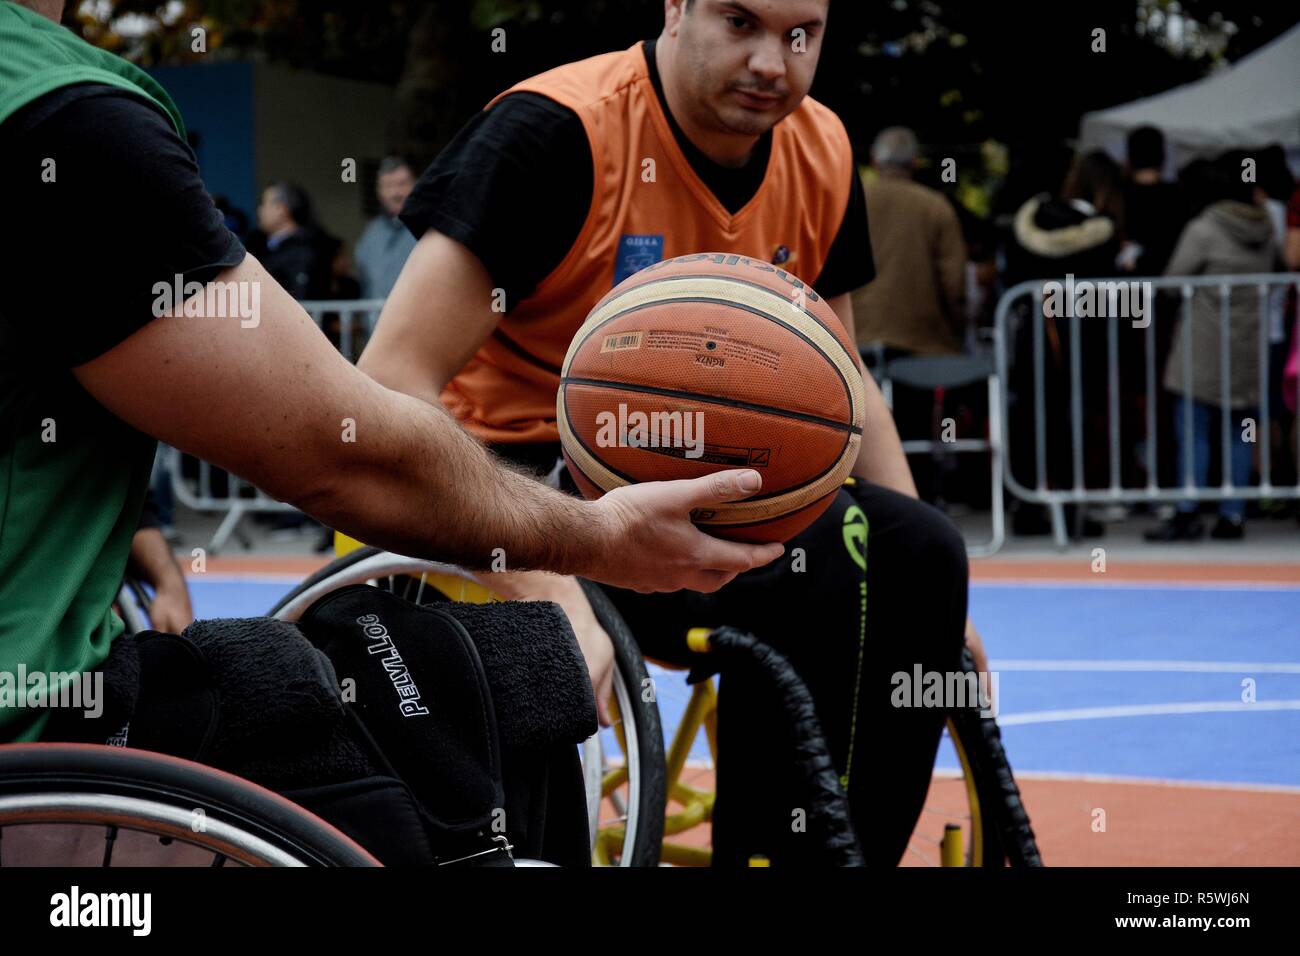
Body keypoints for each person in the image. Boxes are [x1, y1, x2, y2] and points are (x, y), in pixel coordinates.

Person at [0, 0, 779, 759]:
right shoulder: (64, 113)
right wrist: (597, 539)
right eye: (741, 22)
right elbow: (341, 452)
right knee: (453, 696)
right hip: (37, 727)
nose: (774, 62)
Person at [359, 0, 981, 866]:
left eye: (801, 34)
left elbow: (842, 393)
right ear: (676, 8)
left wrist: (925, 605)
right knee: (829, 576)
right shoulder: (556, 131)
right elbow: (389, 381)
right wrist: (544, 575)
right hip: (519, 478)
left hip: (715, 487)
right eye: (741, 22)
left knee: (913, 552)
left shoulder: (824, 145)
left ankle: (821, 855)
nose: (774, 60)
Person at [1145, 151, 1280, 542]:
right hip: (1247, 343)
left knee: (1194, 431)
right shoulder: (1265, 229)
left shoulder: (1203, 228)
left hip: (1203, 345)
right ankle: (1233, 514)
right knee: (1242, 430)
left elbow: (1172, 279)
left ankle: (1188, 511)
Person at [851, 125, 968, 502]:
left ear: (874, 161)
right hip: (921, 343)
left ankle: (862, 497)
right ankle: (918, 496)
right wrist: (956, 326)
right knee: (916, 427)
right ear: (915, 163)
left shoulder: (847, 198)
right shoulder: (935, 206)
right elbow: (955, 283)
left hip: (853, 337)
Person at [354, 156, 418, 301]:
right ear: (379, 191)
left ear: (415, 184)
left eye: (402, 184)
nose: (396, 193)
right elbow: (365, 282)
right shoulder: (371, 233)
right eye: (388, 186)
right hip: (378, 320)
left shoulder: (428, 228)